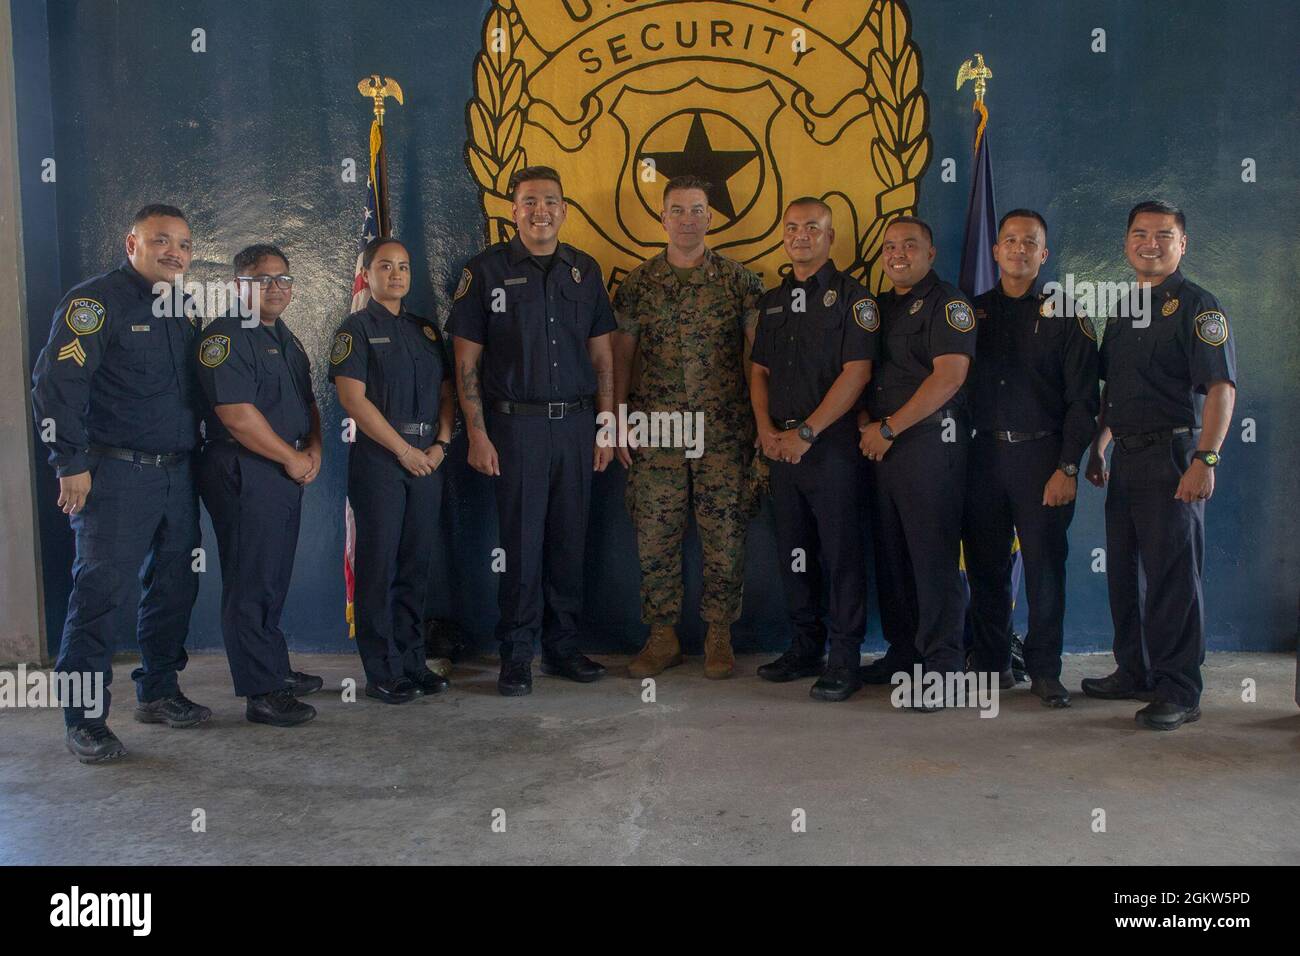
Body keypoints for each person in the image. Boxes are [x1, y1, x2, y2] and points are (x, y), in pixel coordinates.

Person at [31, 204, 209, 762]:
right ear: (131, 242)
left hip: (177, 473)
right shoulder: (95, 302)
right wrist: (70, 464)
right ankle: (84, 720)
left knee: (175, 585)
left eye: (182, 243)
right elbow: (56, 384)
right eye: (161, 240)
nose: (174, 252)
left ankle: (158, 690)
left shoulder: (181, 305)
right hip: (112, 475)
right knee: (100, 597)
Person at [448, 166, 616, 696]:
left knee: (570, 540)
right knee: (520, 546)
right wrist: (476, 433)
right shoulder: (485, 272)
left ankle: (562, 647)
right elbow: (465, 362)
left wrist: (606, 425)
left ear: (564, 209)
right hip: (513, 428)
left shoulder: (584, 272)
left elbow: (603, 357)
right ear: (513, 210)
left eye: (550, 201)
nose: (540, 210)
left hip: (576, 426)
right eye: (528, 202)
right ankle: (516, 654)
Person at [1082, 201, 1237, 731]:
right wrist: (1100, 443)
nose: (1150, 243)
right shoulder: (1124, 309)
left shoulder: (1200, 306)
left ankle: (1179, 689)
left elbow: (1220, 388)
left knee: (1172, 579)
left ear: (1182, 244)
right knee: (1125, 574)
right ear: (1126, 242)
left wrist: (1205, 459)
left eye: (1163, 235)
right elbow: (1116, 391)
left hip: (1174, 457)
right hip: (1126, 457)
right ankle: (1135, 672)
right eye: (1139, 234)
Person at [612, 175, 763, 680]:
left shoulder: (740, 281)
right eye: (677, 210)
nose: (687, 220)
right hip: (657, 429)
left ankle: (719, 635)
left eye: (696, 210)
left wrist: (759, 425)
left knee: (725, 534)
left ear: (711, 216)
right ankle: (662, 636)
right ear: (662, 218)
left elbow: (753, 359)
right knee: (655, 535)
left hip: (722, 427)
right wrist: (615, 420)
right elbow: (622, 356)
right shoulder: (638, 284)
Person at [962, 210, 1099, 708]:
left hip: (1043, 457)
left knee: (1044, 570)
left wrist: (1067, 467)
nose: (1019, 249)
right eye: (1010, 240)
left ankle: (1045, 670)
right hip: (982, 456)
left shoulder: (1067, 313)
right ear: (995, 251)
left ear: (1044, 254)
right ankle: (994, 663)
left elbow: (1084, 401)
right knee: (985, 568)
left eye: (1030, 243)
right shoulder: (970, 313)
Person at [750, 199, 877, 700]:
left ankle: (845, 659)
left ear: (830, 238)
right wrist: (765, 429)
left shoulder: (855, 300)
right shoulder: (772, 302)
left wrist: (807, 435)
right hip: (779, 447)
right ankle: (806, 646)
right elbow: (758, 371)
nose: (801, 236)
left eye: (812, 228)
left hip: (831, 449)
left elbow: (857, 373)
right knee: (794, 552)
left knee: (840, 556)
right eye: (793, 228)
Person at [195, 244, 323, 727]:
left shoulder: (285, 337)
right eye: (262, 279)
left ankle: (273, 666)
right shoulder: (223, 338)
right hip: (244, 467)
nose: (275, 288)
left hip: (285, 466)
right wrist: (292, 457)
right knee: (251, 579)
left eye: (283, 279)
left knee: (271, 574)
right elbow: (236, 415)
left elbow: (308, 403)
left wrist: (313, 451)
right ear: (237, 285)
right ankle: (262, 691)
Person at [329, 237, 455, 704]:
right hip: (383, 460)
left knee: (415, 565)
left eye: (404, 266)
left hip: (428, 458)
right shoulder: (355, 329)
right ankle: (381, 669)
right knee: (378, 567)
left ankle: (411, 660)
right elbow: (352, 400)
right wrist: (404, 451)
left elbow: (448, 393)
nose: (397, 274)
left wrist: (441, 444)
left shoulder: (425, 331)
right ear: (368, 273)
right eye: (386, 266)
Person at [857, 217, 975, 709]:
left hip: (928, 445)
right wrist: (870, 426)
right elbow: (863, 374)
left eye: (909, 244)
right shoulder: (878, 308)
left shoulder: (949, 304)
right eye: (889, 246)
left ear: (931, 252)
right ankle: (904, 654)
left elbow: (949, 377)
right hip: (881, 447)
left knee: (932, 561)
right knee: (893, 559)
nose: (897, 253)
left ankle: (945, 667)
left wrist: (888, 429)